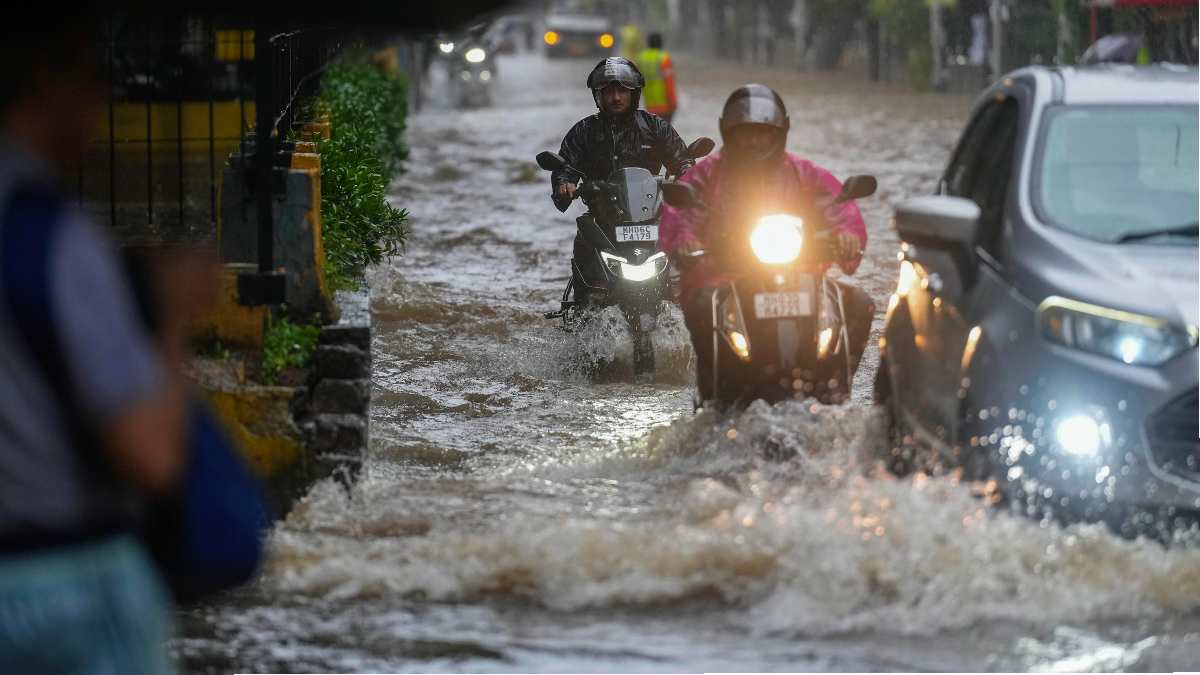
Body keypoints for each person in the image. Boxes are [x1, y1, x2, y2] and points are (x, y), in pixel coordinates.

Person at [0, 11, 214, 673]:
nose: (104, 100)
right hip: (64, 585)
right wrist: (174, 319)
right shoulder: (49, 235)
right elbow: (152, 455)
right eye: (93, 76)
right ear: (46, 78)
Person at [660, 84, 875, 400]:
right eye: (745, 133)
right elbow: (683, 215)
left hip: (800, 277)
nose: (754, 140)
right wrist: (686, 242)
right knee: (703, 306)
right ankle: (716, 397)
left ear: (780, 133)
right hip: (724, 279)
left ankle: (836, 391)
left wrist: (847, 237)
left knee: (858, 303)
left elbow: (837, 206)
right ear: (728, 133)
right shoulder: (707, 175)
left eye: (762, 132)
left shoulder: (803, 172)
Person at [549, 57, 694, 291]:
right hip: (602, 220)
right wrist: (565, 184)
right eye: (608, 92)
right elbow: (565, 168)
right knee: (585, 253)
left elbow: (682, 161)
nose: (616, 97)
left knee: (686, 264)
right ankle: (585, 306)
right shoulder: (584, 131)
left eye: (622, 91)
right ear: (598, 96)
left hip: (650, 216)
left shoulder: (655, 127)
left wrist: (686, 176)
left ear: (634, 94)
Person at [635, 33, 679, 124]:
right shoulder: (664, 58)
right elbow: (669, 83)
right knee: (664, 136)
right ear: (661, 43)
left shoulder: (641, 58)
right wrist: (674, 103)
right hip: (665, 106)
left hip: (649, 105)